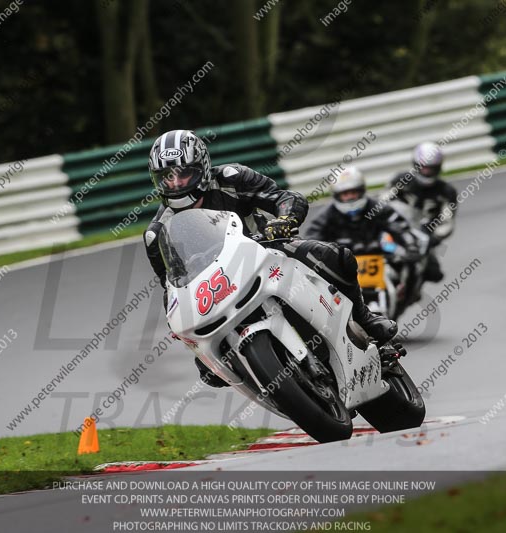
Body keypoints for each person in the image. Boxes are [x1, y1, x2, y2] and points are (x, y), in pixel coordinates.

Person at [143, 130, 399, 387]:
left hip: (267, 251)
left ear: (202, 167)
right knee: (210, 372)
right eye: (167, 178)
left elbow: (285, 198)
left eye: (183, 174)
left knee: (334, 256)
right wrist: (177, 320)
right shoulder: (158, 232)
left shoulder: (232, 179)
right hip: (216, 289)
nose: (175, 184)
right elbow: (171, 286)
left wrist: (284, 220)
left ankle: (364, 317)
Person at [306, 166, 422, 302]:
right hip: (344, 266)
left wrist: (411, 245)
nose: (350, 198)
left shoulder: (378, 207)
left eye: (353, 193)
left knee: (414, 263)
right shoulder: (325, 217)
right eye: (345, 194)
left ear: (361, 191)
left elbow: (400, 227)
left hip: (381, 258)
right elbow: (311, 241)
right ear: (337, 195)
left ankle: (409, 294)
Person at [388, 142, 457, 282]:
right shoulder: (401, 181)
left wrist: (436, 237)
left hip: (423, 237)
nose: (427, 172)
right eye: (424, 168)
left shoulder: (446, 191)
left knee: (434, 274)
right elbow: (382, 201)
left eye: (431, 168)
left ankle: (412, 289)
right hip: (394, 229)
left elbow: (448, 221)